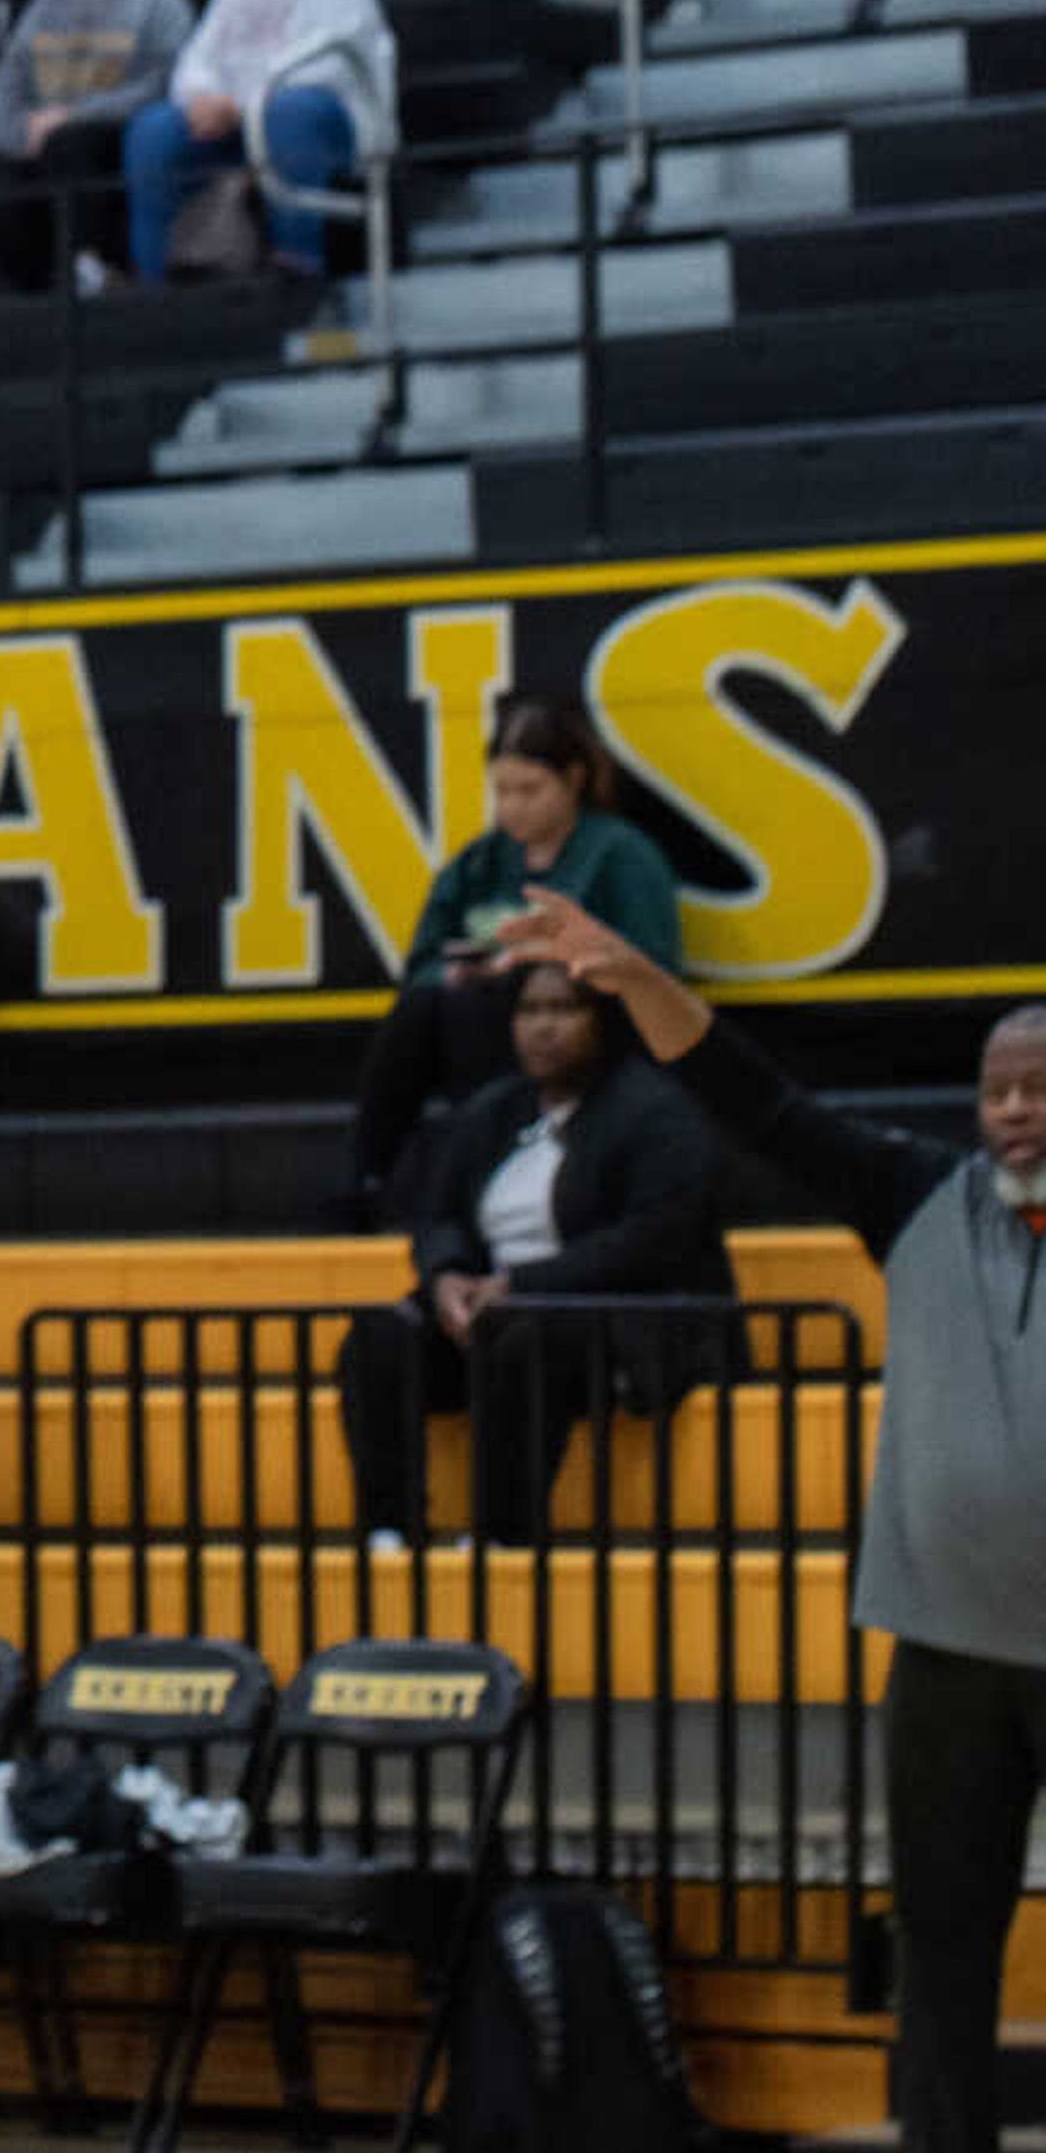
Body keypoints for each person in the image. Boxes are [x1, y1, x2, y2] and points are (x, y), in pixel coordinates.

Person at [499, 894, 1044, 2153]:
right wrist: (638, 984)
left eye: (1037, 1088)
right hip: (948, 1652)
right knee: (944, 1945)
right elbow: (761, 1104)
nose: (1013, 1109)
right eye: (997, 1089)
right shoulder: (918, 1199)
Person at [333, 962, 732, 1550]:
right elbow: (437, 1214)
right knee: (379, 1337)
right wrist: (447, 1278)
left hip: (613, 1326)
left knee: (527, 1341)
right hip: (494, 1318)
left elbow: (650, 1237)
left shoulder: (654, 1113)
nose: (543, 1028)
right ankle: (390, 1532)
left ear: (604, 1019)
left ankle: (502, 1536)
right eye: (529, 1011)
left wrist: (522, 1284)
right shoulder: (492, 1112)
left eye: (564, 1009)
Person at [346, 695, 683, 1215]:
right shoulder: (479, 862)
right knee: (423, 1008)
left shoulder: (621, 854)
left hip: (591, 1027)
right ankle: (365, 1179)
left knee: (517, 1004)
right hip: (485, 1023)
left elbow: (656, 968)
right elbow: (422, 959)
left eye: (529, 790)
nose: (513, 807)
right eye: (502, 791)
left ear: (573, 780)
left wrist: (546, 963)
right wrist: (457, 970)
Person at [122, 0, 394, 286]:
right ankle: (153, 276)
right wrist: (205, 100)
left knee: (290, 113)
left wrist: (244, 108)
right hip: (235, 125)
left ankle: (299, 261)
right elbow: (196, 62)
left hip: (316, 125)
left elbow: (329, 70)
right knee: (152, 130)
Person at [0, 0, 193, 294]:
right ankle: (62, 299)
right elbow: (5, 87)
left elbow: (167, 80)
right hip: (47, 147)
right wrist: (24, 132)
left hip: (121, 141)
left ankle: (95, 267)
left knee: (71, 144)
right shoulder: (46, 5)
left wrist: (71, 117)